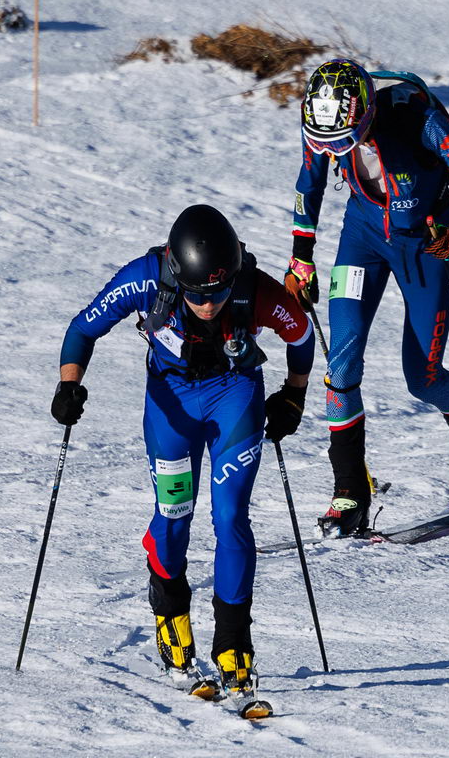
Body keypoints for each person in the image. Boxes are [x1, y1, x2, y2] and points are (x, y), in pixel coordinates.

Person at [54, 204, 314, 718]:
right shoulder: (146, 278)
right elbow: (83, 328)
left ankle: (234, 647)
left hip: (234, 393)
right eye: (197, 296)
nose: (209, 305)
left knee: (230, 516)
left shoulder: (253, 288)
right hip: (170, 401)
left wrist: (294, 395)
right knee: (174, 514)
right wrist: (68, 385)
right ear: (178, 275)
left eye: (218, 294)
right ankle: (171, 620)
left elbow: (300, 333)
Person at [286, 60, 449, 536]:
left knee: (423, 378)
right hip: (362, 239)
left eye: (341, 143)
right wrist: (300, 258)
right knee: (341, 367)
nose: (331, 151)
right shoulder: (325, 121)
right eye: (325, 142)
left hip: (424, 246)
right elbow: (310, 186)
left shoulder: (421, 123)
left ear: (365, 113)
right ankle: (350, 491)